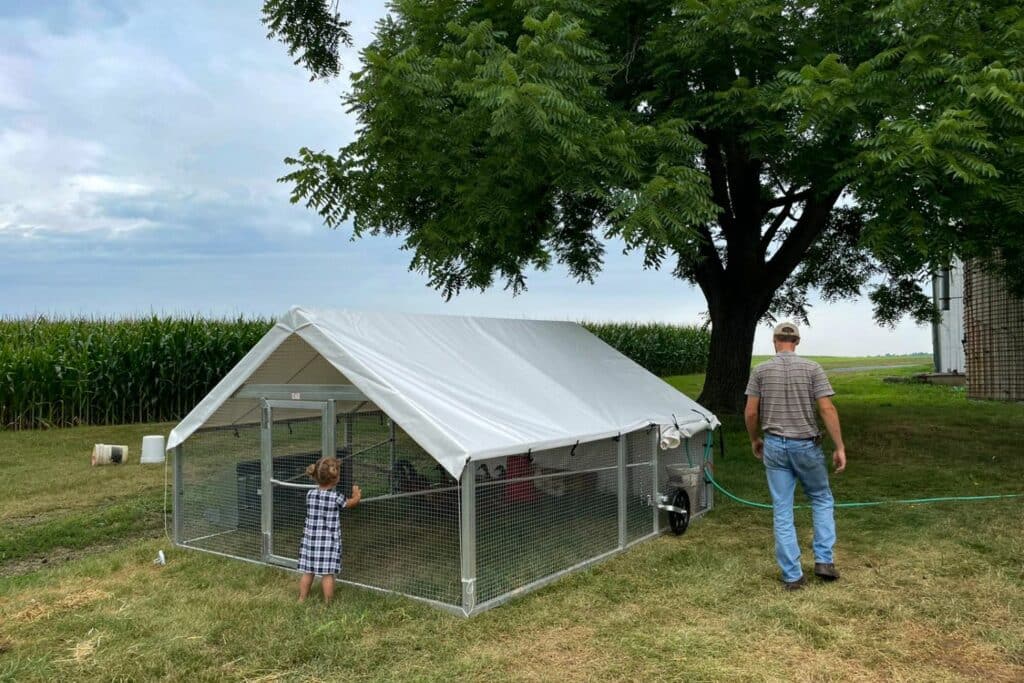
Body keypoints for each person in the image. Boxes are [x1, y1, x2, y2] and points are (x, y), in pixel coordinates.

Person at [744, 321, 846, 591]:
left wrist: (755, 439)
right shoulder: (813, 369)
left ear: (774, 341)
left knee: (782, 508)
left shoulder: (761, 370)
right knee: (822, 498)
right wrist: (839, 446)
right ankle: (824, 561)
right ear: (797, 342)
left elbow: (751, 412)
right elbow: (827, 408)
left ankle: (792, 576)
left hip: (775, 446)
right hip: (806, 446)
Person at [298, 456, 362, 603]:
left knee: (308, 572)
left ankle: (301, 599)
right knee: (328, 574)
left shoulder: (310, 494)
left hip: (311, 541)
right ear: (335, 478)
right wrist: (356, 496)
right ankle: (328, 603)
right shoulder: (335, 497)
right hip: (328, 542)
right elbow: (350, 504)